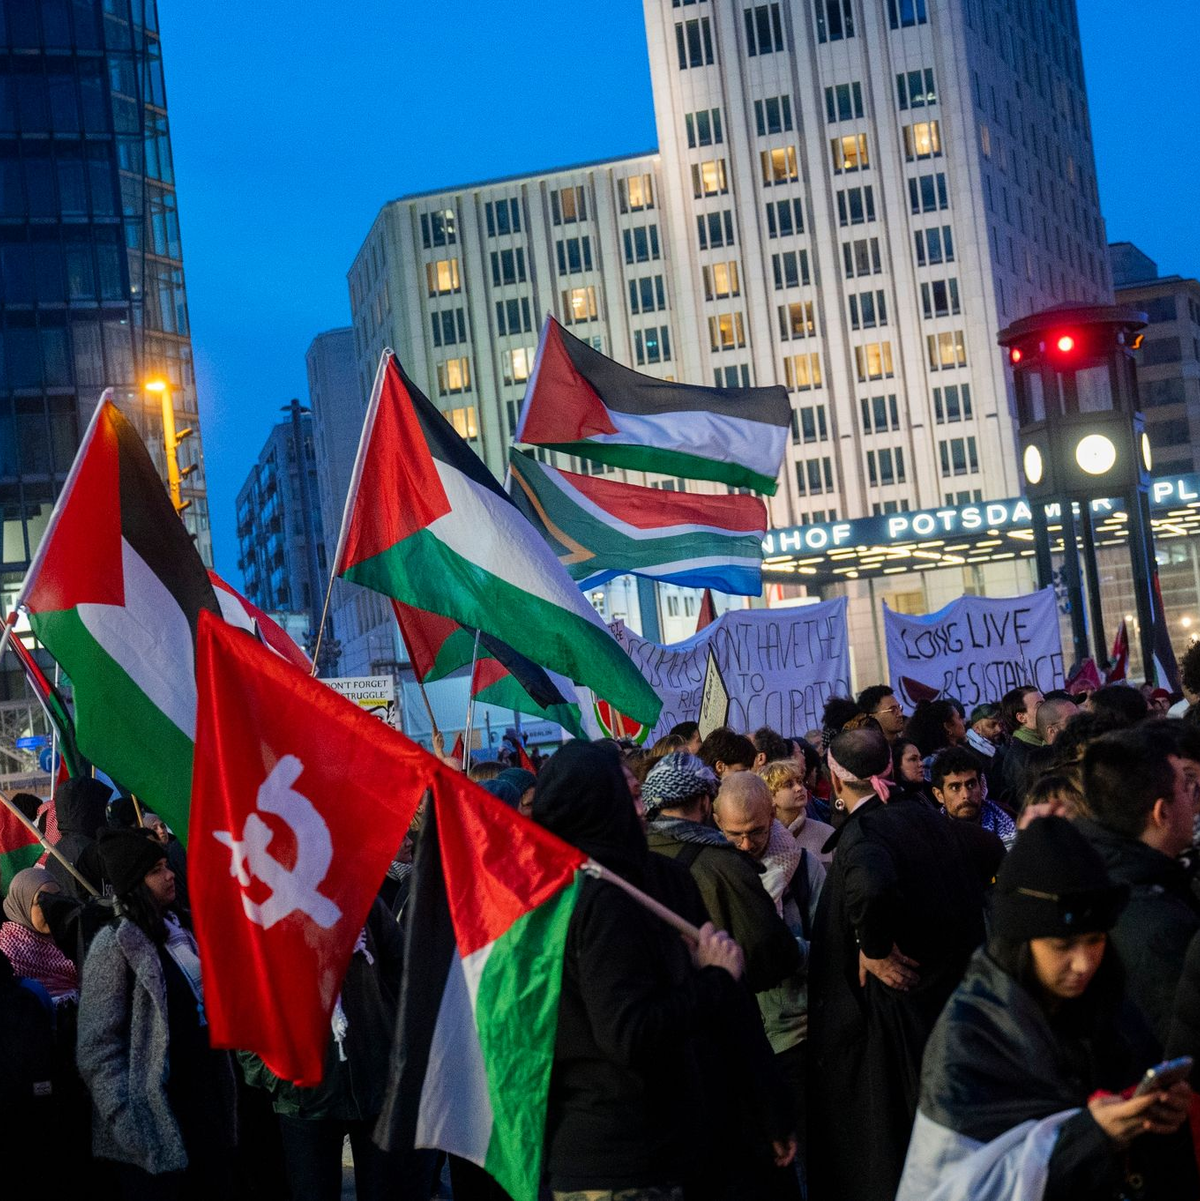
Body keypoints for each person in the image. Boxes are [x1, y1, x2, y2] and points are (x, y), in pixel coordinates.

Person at [531, 741, 795, 1201]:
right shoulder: (587, 900)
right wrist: (714, 977)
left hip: (684, 1141)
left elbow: (732, 1013)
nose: (644, 810)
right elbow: (628, 1030)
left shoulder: (662, 881)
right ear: (597, 807)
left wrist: (767, 1105)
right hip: (618, 1159)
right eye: (630, 797)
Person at [898, 816, 1196, 1200]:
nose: (1084, 962)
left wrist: (1159, 1116)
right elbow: (954, 1188)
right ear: (1021, 942)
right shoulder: (970, 1040)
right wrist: (1092, 1138)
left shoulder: (1112, 1006)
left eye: (1095, 940)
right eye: (1062, 946)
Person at [807, 728, 1003, 1201]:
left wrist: (872, 948)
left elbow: (872, 886)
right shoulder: (923, 816)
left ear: (835, 781)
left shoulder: (868, 833)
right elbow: (985, 848)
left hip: (902, 1010)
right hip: (951, 997)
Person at [77, 829, 236, 1198]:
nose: (170, 875)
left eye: (167, 865)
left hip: (203, 1104)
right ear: (134, 883)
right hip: (154, 1120)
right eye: (156, 870)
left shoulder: (183, 928)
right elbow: (96, 1049)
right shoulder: (114, 945)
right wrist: (127, 1121)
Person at [241, 898, 415, 1201]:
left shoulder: (360, 897)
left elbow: (403, 967)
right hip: (304, 1097)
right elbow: (240, 1002)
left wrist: (393, 1041)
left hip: (374, 1084)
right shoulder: (262, 912)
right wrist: (271, 1076)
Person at [713, 771, 825, 1193]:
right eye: (734, 834)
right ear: (716, 821)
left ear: (773, 814)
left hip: (794, 1032)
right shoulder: (716, 871)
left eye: (756, 832)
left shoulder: (802, 866)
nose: (746, 844)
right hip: (739, 1040)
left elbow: (829, 943)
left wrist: (783, 950)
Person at [1078, 725, 1200, 1045]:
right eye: (1187, 788)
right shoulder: (1160, 926)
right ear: (1162, 812)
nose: (1194, 797)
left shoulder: (1102, 874)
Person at [644, 752, 800, 994]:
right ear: (706, 803)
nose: (746, 844)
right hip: (722, 1006)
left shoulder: (632, 858)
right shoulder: (725, 863)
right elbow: (767, 949)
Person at [0, 866, 78, 1003]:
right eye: (41, 902)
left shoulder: (76, 933)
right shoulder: (10, 952)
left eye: (57, 897)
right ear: (22, 905)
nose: (53, 907)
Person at [929, 746, 1017, 850]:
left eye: (971, 785)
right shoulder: (931, 836)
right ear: (939, 795)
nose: (966, 795)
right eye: (955, 787)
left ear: (981, 786)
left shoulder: (1010, 819)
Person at [45, 776, 111, 899]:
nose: (107, 814)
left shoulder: (55, 852)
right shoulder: (93, 849)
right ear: (92, 808)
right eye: (104, 808)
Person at [758, 758, 834, 864]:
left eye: (799, 781)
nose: (799, 788)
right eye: (788, 785)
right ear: (770, 796)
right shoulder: (761, 839)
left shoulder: (826, 833)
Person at [998, 684, 1044, 805]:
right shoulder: (1019, 757)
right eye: (1039, 705)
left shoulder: (1043, 743)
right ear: (1021, 717)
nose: (1046, 708)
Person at [890, 739, 934, 807]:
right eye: (913, 759)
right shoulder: (895, 801)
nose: (921, 763)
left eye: (920, 759)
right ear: (897, 764)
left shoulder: (928, 789)